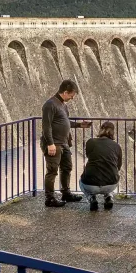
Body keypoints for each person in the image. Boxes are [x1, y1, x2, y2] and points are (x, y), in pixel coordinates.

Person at [41, 79, 91, 207]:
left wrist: (80, 125)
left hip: (63, 143)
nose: (72, 97)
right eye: (71, 95)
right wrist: (50, 143)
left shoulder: (63, 104)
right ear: (65, 92)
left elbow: (65, 122)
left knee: (67, 167)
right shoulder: (50, 105)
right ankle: (50, 198)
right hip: (54, 144)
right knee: (52, 170)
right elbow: (46, 127)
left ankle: (66, 193)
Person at [80, 121, 123, 211]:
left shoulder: (90, 142)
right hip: (110, 184)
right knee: (113, 174)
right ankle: (109, 197)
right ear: (113, 132)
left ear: (100, 130)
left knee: (81, 181)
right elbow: (118, 166)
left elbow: (89, 155)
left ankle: (92, 198)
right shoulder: (117, 146)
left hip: (90, 184)